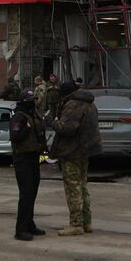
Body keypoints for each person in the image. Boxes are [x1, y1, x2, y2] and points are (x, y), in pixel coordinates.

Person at [49, 80, 100, 236]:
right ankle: (87, 222)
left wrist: (54, 122)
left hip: (72, 151)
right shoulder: (89, 103)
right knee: (82, 186)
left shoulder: (73, 104)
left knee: (73, 188)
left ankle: (76, 224)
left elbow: (67, 128)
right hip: (85, 150)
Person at [9, 89, 47, 241]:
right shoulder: (19, 116)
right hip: (22, 158)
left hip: (34, 156)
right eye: (30, 99)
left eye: (34, 99)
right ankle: (21, 229)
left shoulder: (33, 114)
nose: (33, 102)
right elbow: (16, 136)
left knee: (32, 192)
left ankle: (29, 224)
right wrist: (27, 129)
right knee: (26, 194)